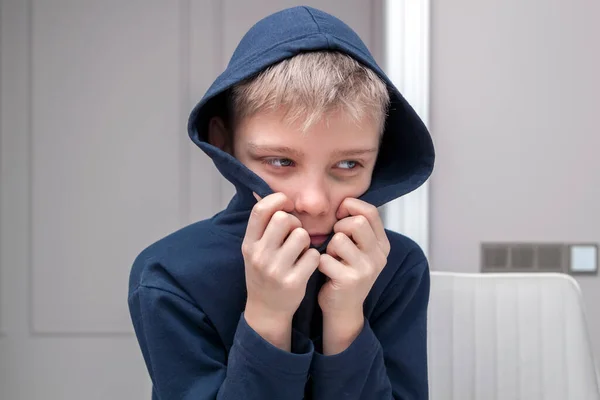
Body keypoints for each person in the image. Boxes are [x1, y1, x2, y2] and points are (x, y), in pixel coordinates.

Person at [128, 5, 434, 400]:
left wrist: (346, 320)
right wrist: (268, 316)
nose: (313, 202)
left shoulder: (399, 268)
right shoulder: (169, 276)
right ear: (224, 143)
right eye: (281, 161)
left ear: (380, 155)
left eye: (347, 164)